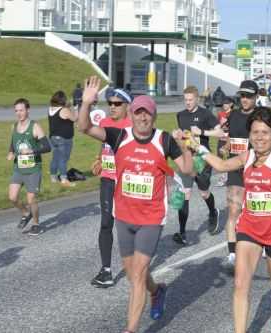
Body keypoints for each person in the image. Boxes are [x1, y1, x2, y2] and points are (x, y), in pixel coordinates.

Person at [195, 77, 271, 332]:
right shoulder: (248, 155)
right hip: (250, 227)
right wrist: (196, 147)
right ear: (249, 135)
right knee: (241, 283)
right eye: (255, 133)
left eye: (265, 133)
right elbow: (221, 165)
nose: (260, 138)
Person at [78, 76, 193, 332]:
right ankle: (157, 291)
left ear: (153, 117)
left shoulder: (163, 140)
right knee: (132, 274)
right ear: (132, 114)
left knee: (138, 274)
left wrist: (185, 146)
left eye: (147, 114)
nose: (142, 118)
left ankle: (130, 329)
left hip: (152, 217)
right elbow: (84, 127)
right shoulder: (119, 136)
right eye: (138, 113)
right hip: (124, 216)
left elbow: (187, 169)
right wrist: (86, 104)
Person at [90, 88, 133, 288]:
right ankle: (106, 270)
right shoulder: (105, 123)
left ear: (127, 106)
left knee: (130, 225)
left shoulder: (132, 127)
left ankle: (137, 263)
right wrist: (99, 158)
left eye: (117, 104)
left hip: (126, 183)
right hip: (107, 180)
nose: (112, 107)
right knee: (106, 223)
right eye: (110, 104)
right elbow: (103, 141)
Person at [173, 85, 224, 245]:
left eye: (190, 100)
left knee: (204, 193)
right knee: (184, 194)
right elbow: (183, 137)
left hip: (202, 158)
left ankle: (212, 212)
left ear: (196, 99)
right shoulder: (180, 115)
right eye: (185, 100)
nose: (187, 103)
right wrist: (178, 136)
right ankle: (182, 233)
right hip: (187, 158)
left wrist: (201, 132)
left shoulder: (205, 114)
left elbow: (220, 132)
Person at [223, 80, 259, 271]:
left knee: (253, 211)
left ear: (256, 97)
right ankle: (232, 253)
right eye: (242, 96)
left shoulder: (261, 116)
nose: (245, 99)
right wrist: (227, 144)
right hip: (235, 170)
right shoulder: (234, 114)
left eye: (249, 96)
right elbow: (229, 135)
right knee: (234, 210)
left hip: (256, 170)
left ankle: (258, 242)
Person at [8, 98, 51, 236]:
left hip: (33, 169)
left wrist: (31, 151)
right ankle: (26, 213)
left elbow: (47, 147)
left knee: (31, 199)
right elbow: (13, 143)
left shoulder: (35, 126)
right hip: (19, 168)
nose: (19, 113)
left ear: (27, 110)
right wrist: (10, 152)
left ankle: (36, 223)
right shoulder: (14, 126)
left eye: (21, 110)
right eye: (16, 110)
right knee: (12, 197)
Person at [48, 90, 78, 187]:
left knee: (55, 158)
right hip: (64, 138)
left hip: (53, 137)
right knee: (63, 159)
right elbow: (75, 118)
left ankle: (53, 177)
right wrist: (74, 107)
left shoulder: (51, 109)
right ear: (62, 100)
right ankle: (64, 179)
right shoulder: (64, 110)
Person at [215, 96, 234, 187]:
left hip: (229, 139)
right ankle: (224, 176)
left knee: (229, 157)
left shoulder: (234, 113)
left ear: (231, 104)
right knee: (220, 156)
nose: (224, 105)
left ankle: (227, 177)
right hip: (221, 138)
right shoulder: (220, 114)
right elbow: (217, 125)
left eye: (226, 103)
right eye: (224, 103)